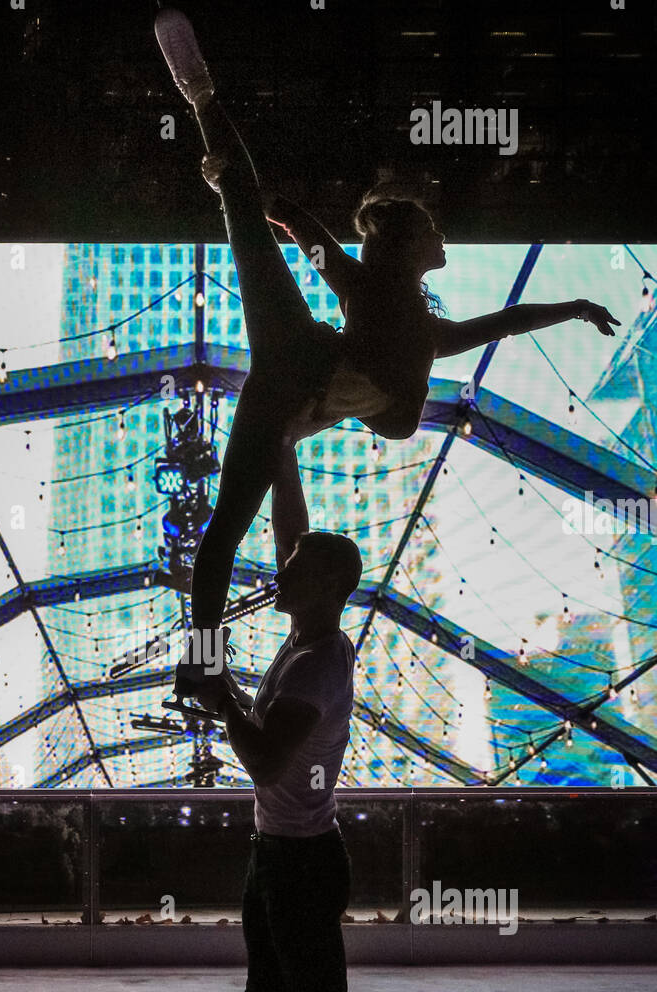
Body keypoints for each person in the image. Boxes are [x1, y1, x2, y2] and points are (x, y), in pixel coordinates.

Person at [153, 6, 620, 710]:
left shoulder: (404, 317)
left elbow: (507, 320)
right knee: (223, 522)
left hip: (288, 377)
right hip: (293, 369)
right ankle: (201, 97)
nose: (441, 241)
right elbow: (503, 318)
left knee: (224, 525)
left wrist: (574, 309)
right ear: (407, 246)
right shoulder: (379, 298)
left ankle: (199, 665)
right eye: (433, 231)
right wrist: (261, 202)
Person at [198, 516, 384, 992]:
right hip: (277, 857)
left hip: (299, 867)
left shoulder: (314, 662)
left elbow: (267, 762)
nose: (280, 570)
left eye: (296, 565)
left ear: (332, 585)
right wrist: (277, 450)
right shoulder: (308, 641)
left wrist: (221, 704)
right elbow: (270, 736)